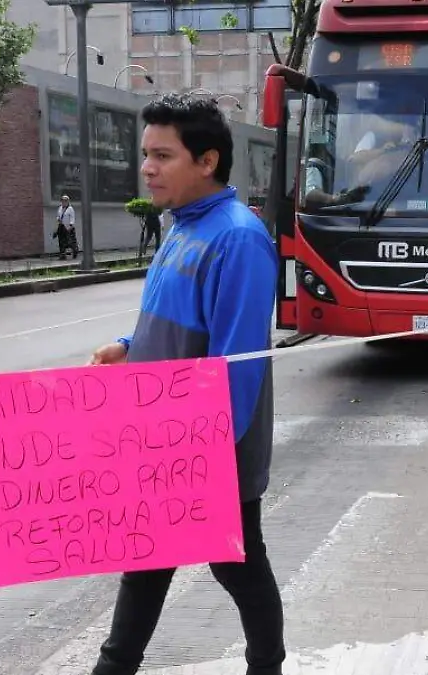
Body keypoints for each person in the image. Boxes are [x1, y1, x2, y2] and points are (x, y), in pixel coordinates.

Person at [86, 93, 285, 675]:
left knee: (238, 566)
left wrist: (204, 456)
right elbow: (170, 316)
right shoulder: (180, 227)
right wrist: (129, 344)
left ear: (207, 160)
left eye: (163, 155)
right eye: (146, 154)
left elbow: (237, 364)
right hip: (160, 440)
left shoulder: (238, 239)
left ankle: (266, 666)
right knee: (147, 564)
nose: (147, 168)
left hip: (208, 448)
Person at [54, 195, 79, 259]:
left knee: (70, 241)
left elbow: (72, 218)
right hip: (61, 226)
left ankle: (75, 251)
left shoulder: (70, 209)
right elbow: (58, 216)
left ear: (68, 201)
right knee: (61, 241)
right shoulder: (60, 208)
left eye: (65, 201)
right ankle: (62, 254)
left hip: (68, 227)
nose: (63, 202)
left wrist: (70, 226)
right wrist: (58, 219)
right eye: (62, 201)